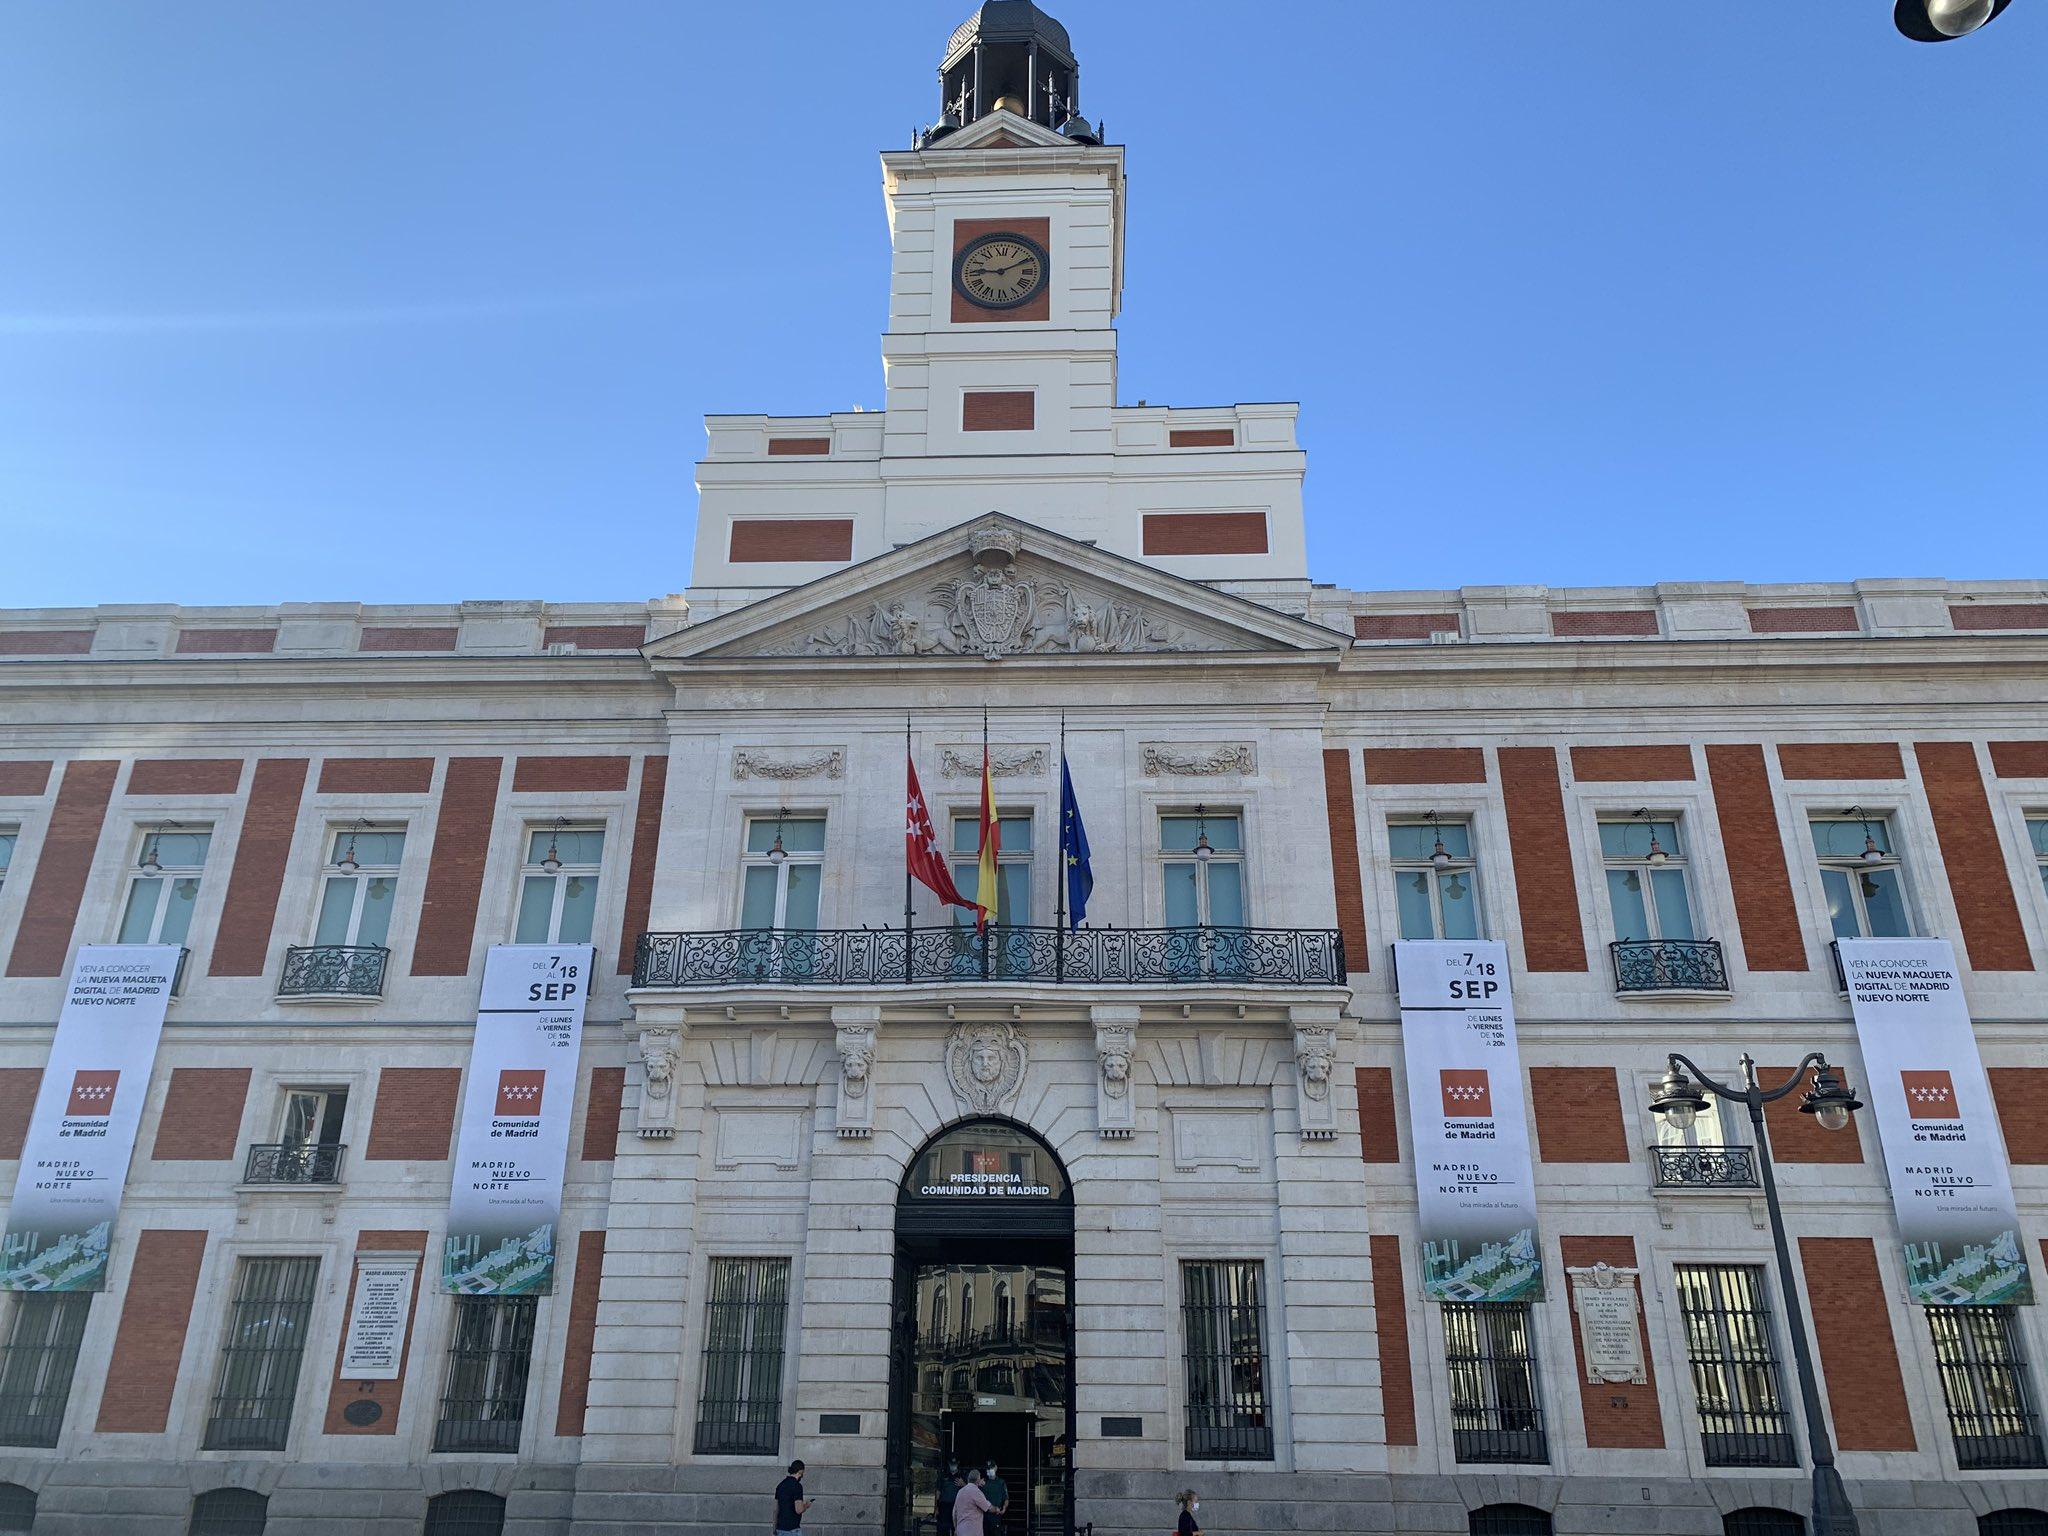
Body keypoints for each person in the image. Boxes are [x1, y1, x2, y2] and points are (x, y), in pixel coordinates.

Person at [951, 1468, 993, 1536]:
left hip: (961, 1532)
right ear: (978, 1480)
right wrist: (997, 1509)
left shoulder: (960, 1492)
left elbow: (954, 1513)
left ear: (968, 1479)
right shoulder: (976, 1492)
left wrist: (956, 1529)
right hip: (973, 1532)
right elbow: (988, 1507)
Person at [774, 1460, 809, 1536]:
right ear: (800, 1471)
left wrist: (774, 1528)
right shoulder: (797, 1486)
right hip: (792, 1530)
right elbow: (798, 1510)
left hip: (780, 1529)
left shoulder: (780, 1485)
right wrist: (806, 1506)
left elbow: (776, 1510)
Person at [981, 1459, 1009, 1536]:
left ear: (995, 1468)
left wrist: (1004, 1508)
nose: (989, 1470)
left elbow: (1006, 1498)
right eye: (988, 1468)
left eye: (991, 1468)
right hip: (984, 1517)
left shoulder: (1001, 1482)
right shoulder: (982, 1482)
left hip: (996, 1517)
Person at [936, 1462, 959, 1536]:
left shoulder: (962, 1476)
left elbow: (968, 1490)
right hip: (944, 1507)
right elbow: (938, 1492)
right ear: (949, 1465)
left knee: (957, 1530)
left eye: (954, 1464)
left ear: (957, 1464)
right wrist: (936, 1507)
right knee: (942, 1530)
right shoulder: (943, 1476)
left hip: (957, 1508)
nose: (953, 1466)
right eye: (952, 1464)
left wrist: (963, 1484)